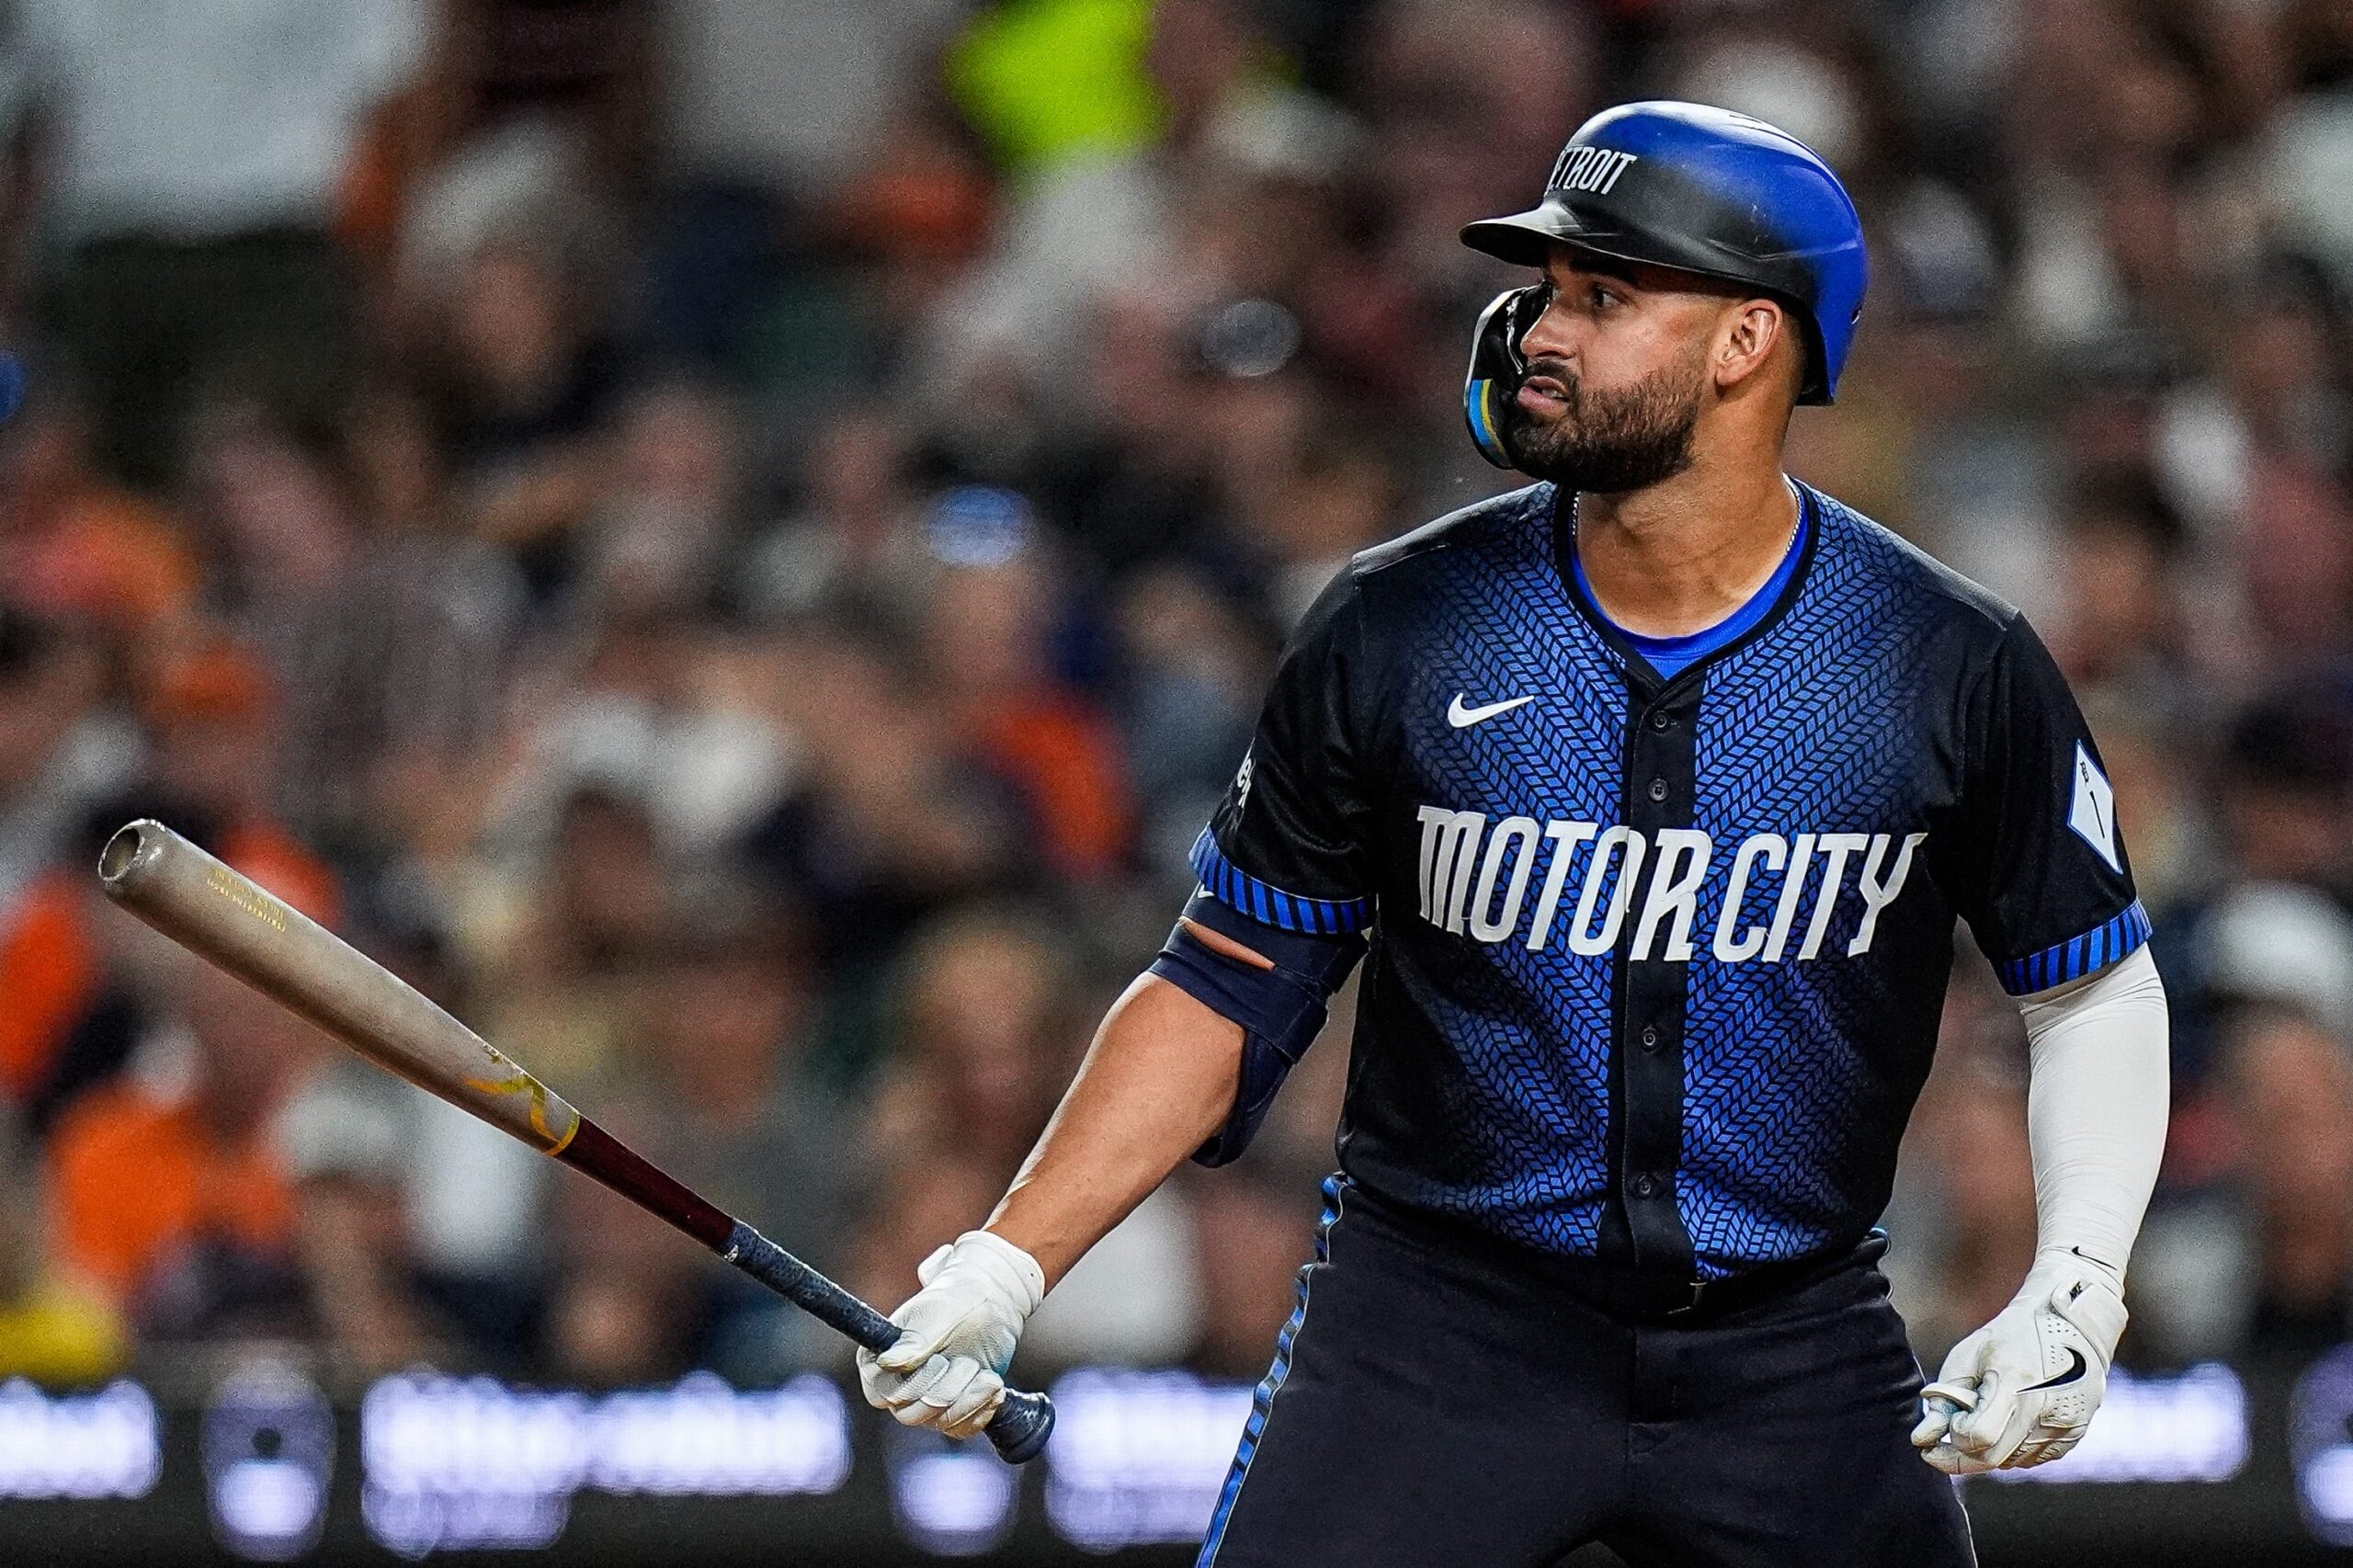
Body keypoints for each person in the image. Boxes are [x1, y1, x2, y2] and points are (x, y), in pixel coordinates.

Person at [857, 101, 2172, 1567]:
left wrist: (2077, 1280)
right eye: (1546, 289)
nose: (1539, 328)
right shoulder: (1398, 622)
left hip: (1795, 1345)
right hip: (1435, 1326)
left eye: (1603, 297)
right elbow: (1228, 975)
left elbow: (2090, 980)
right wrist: (1006, 1261)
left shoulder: (1944, 658)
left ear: (1748, 342)